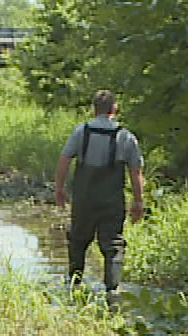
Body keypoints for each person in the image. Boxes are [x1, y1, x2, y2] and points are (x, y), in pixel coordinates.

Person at [55, 89, 144, 299]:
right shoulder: (125, 136)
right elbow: (135, 171)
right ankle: (112, 291)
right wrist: (138, 201)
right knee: (113, 245)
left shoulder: (81, 132)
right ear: (115, 108)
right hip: (112, 201)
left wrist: (59, 188)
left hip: (84, 199)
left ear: (94, 109)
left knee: (78, 240)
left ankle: (74, 285)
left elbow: (64, 160)